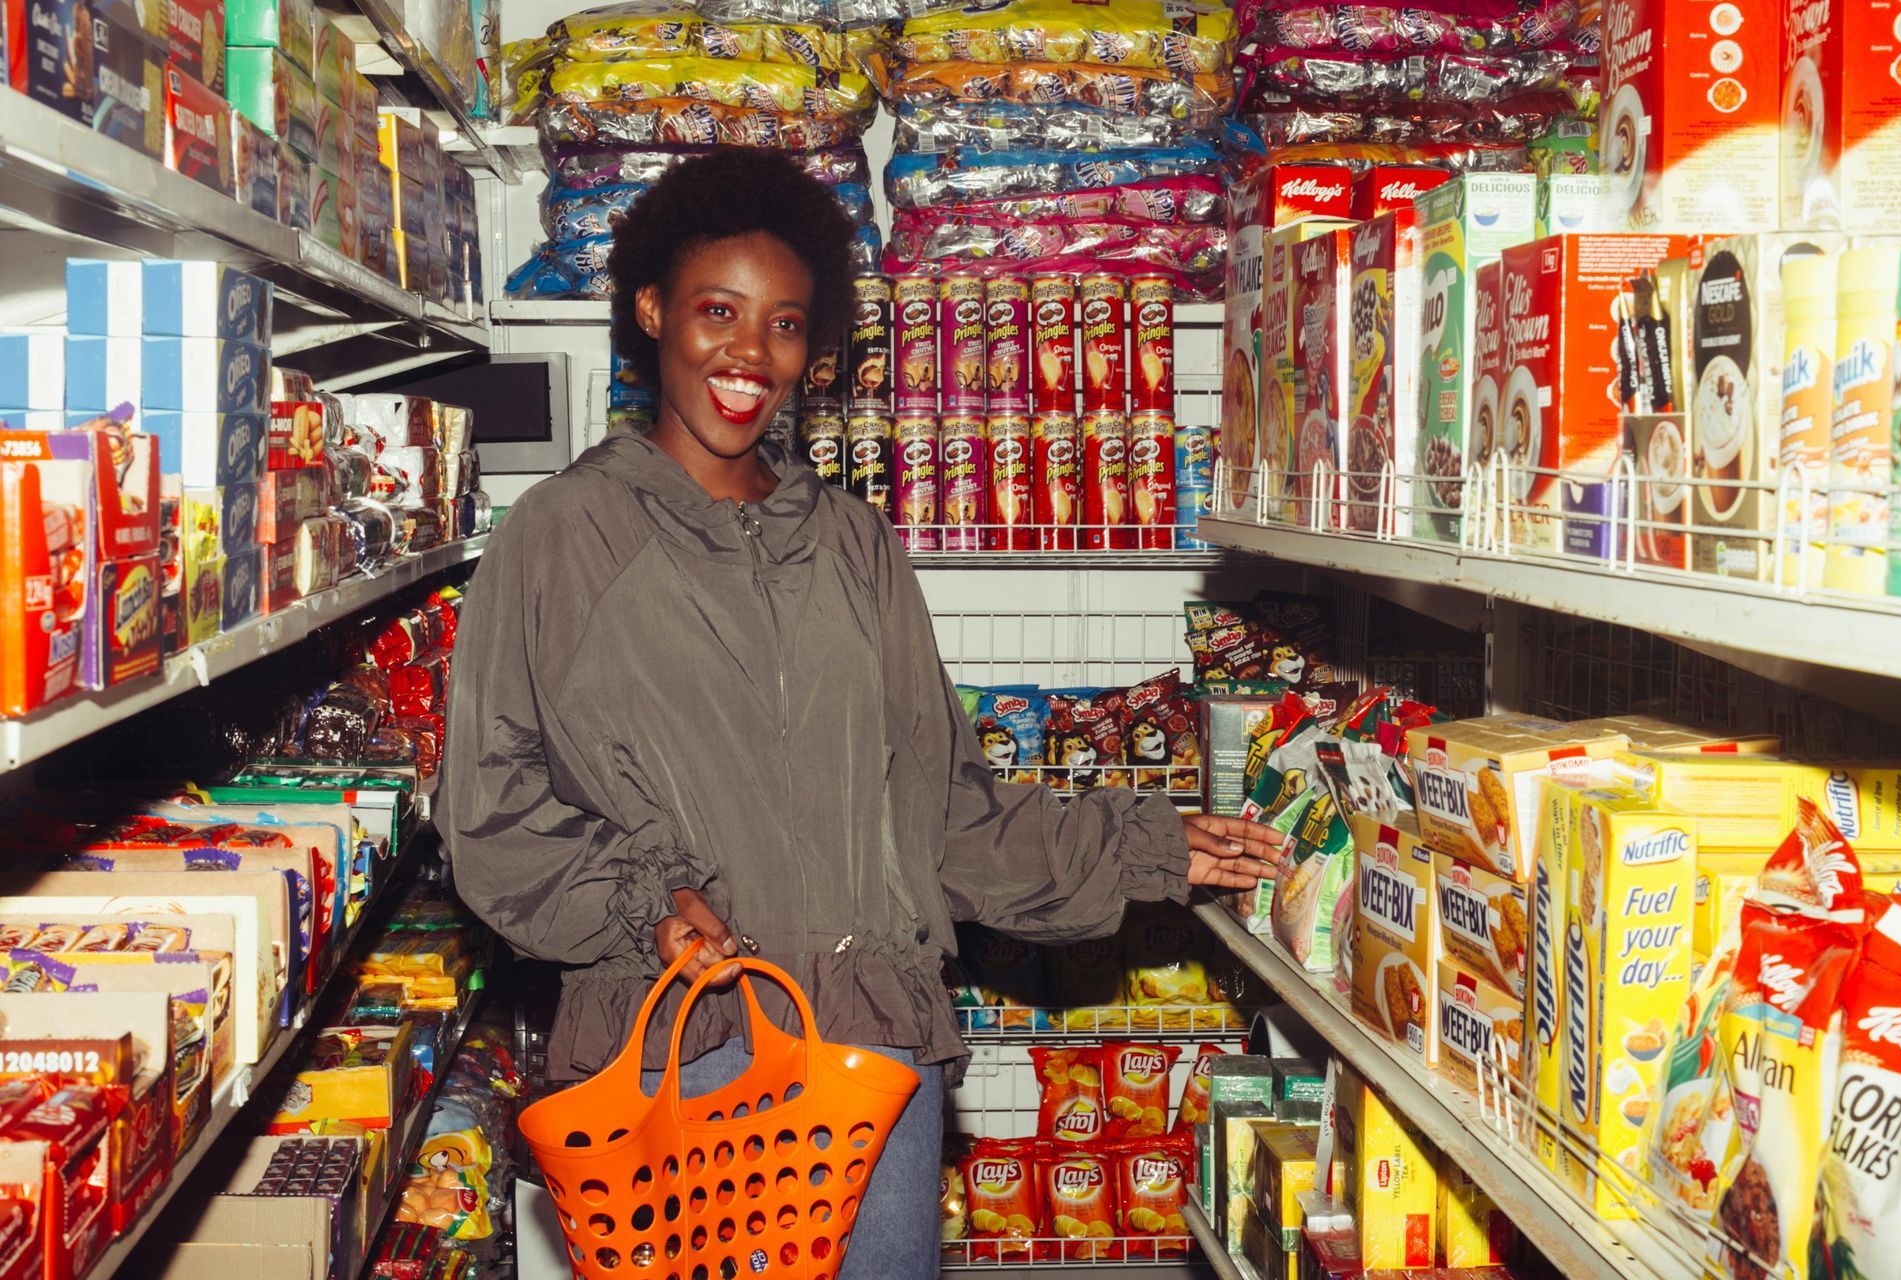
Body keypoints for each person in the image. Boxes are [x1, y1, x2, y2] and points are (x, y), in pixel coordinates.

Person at [443, 148, 1283, 1279]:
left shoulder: (855, 545)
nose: (750, 355)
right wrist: (644, 896)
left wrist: (1149, 840)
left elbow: (944, 813)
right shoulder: (557, 537)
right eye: (718, 312)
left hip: (870, 1061)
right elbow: (489, 813)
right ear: (651, 312)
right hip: (680, 1057)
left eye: (785, 324)